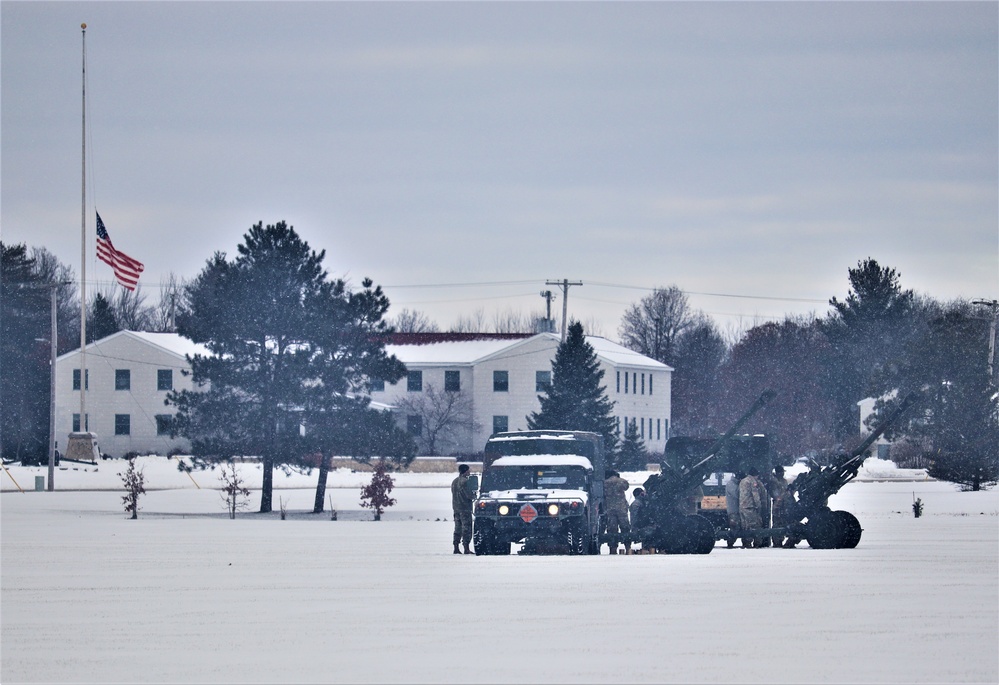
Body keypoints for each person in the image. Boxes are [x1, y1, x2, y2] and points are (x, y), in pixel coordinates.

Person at [738, 467, 767, 548]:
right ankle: (754, 543)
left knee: (745, 525)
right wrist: (759, 506)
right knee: (754, 525)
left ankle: (745, 542)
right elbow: (755, 495)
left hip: (742, 506)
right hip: (750, 507)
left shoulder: (742, 481)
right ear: (756, 475)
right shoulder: (752, 482)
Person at [604, 470, 631, 554]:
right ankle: (628, 547)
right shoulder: (621, 481)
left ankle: (613, 548)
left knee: (612, 529)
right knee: (625, 527)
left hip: (609, 508)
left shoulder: (604, 483)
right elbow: (626, 487)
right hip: (621, 508)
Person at [451, 464, 474, 554]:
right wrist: (474, 495)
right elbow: (469, 495)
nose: (469, 472)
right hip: (465, 508)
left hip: (456, 508)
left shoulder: (454, 481)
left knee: (457, 528)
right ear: (465, 471)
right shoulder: (465, 482)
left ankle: (456, 547)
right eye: (468, 470)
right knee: (466, 529)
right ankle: (466, 548)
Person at [769, 465, 789, 548]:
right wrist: (778, 498)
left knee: (782, 522)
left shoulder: (784, 481)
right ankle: (776, 541)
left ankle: (780, 539)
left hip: (784, 504)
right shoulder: (774, 481)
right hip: (777, 504)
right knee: (777, 522)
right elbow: (774, 493)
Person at [725, 471, 744, 548]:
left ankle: (745, 543)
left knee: (743, 527)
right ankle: (730, 543)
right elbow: (737, 494)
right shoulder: (730, 484)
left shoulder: (735, 484)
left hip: (740, 510)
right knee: (734, 527)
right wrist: (742, 487)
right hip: (733, 510)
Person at [629, 487, 648, 553]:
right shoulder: (637, 504)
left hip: (643, 525)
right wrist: (635, 528)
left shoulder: (643, 502)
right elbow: (634, 518)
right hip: (642, 526)